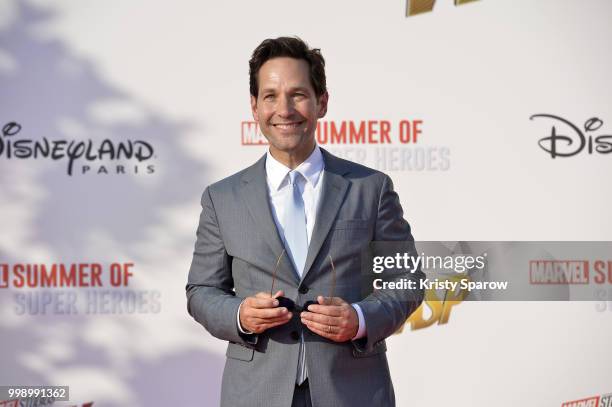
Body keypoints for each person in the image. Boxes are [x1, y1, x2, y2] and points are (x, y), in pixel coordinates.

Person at [186, 36, 424, 407]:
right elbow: (201, 291)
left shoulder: (371, 189)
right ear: (254, 106)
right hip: (256, 392)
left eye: (298, 94)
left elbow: (407, 281)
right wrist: (240, 315)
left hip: (353, 391)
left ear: (321, 102)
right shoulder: (222, 198)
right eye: (270, 96)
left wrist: (360, 318)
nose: (284, 109)